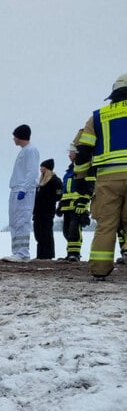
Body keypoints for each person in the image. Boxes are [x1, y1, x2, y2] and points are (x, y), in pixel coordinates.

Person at [73, 73, 127, 280]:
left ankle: (99, 270)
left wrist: (80, 178)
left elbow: (83, 150)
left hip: (108, 179)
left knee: (106, 225)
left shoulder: (97, 117)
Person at [4, 124, 40, 261]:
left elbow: (32, 172)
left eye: (15, 136)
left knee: (22, 220)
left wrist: (24, 189)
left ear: (20, 136)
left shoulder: (31, 150)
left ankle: (23, 253)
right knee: (14, 221)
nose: (13, 139)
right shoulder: (24, 150)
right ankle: (16, 251)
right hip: (16, 189)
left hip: (23, 191)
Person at [57, 143, 92, 261]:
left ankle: (75, 254)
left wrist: (84, 201)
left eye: (70, 152)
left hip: (78, 206)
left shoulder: (84, 168)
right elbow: (65, 190)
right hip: (67, 206)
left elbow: (89, 186)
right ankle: (70, 253)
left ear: (77, 154)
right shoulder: (69, 171)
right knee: (66, 230)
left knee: (74, 230)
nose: (69, 155)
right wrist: (60, 204)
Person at [33, 158, 62, 259]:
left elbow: (59, 195)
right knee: (38, 233)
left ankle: (48, 254)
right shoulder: (40, 182)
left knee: (46, 232)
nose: (41, 169)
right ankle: (40, 254)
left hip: (47, 211)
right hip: (38, 212)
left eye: (43, 167)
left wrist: (49, 199)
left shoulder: (55, 181)